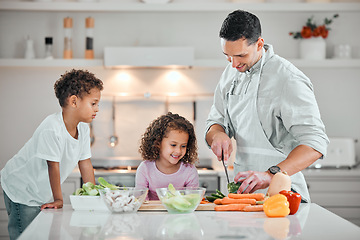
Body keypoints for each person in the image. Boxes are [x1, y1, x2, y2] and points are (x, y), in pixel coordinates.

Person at [205, 10, 329, 202]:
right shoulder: (230, 73)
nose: (233, 64)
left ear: (260, 44)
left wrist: (270, 175)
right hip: (245, 196)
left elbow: (315, 144)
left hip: (284, 195)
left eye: (240, 55)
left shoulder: (288, 78)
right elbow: (216, 120)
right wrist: (217, 134)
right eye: (227, 56)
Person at [0, 69, 103, 239]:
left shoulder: (83, 128)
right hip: (21, 189)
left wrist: (93, 197)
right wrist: (58, 199)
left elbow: (85, 163)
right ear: (74, 101)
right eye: (93, 103)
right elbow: (52, 165)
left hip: (39, 190)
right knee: (25, 235)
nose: (97, 109)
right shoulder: (52, 127)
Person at [136, 112, 199, 200]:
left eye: (183, 146)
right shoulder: (145, 169)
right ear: (157, 143)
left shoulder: (190, 171)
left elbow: (191, 201)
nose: (178, 151)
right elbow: (141, 201)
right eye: (173, 145)